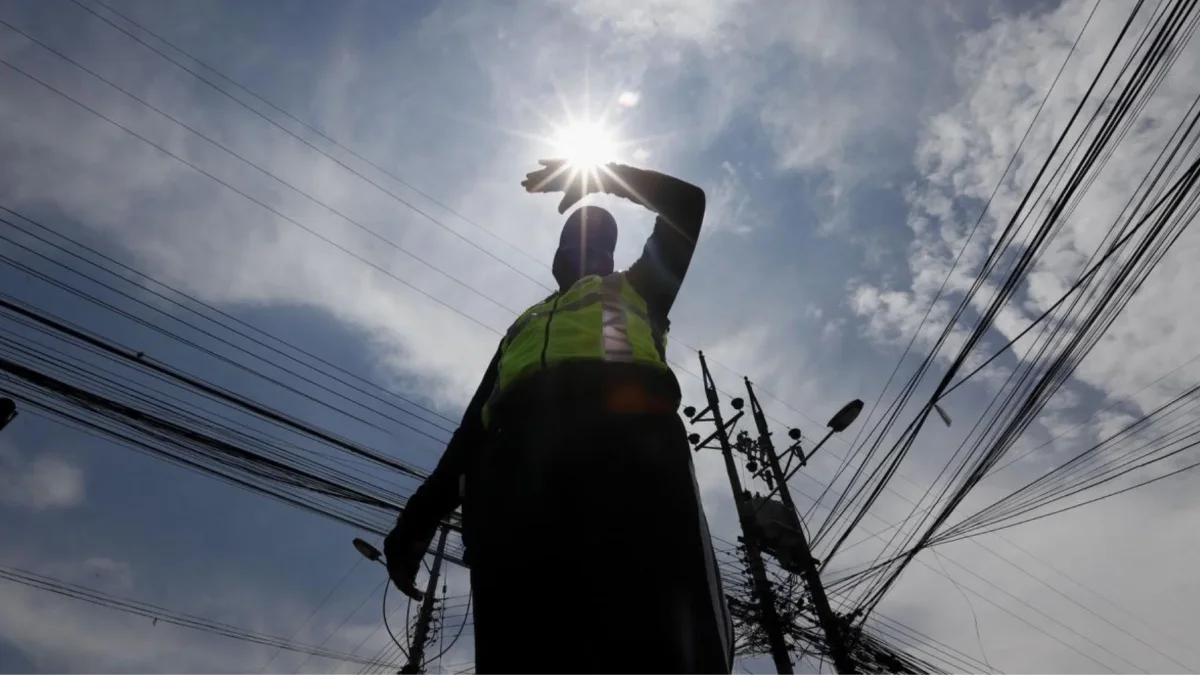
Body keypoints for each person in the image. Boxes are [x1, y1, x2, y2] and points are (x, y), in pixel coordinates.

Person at [384, 158, 733, 674]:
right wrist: (416, 522)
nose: (581, 250)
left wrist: (603, 176)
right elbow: (470, 433)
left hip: (631, 467)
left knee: (655, 640)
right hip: (513, 484)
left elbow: (686, 205)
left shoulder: (639, 289)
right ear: (555, 258)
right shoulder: (523, 326)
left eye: (595, 243)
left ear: (610, 257)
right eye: (571, 242)